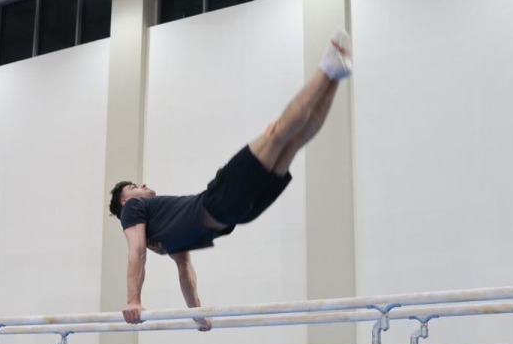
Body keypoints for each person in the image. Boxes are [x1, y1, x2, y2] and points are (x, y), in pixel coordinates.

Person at [109, 31, 353, 327]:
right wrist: (139, 300)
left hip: (226, 208)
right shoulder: (138, 217)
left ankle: (331, 75)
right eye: (134, 187)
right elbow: (140, 254)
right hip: (229, 209)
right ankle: (330, 73)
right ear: (125, 202)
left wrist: (195, 312)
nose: (143, 186)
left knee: (286, 138)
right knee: (283, 138)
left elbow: (185, 269)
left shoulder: (160, 231)